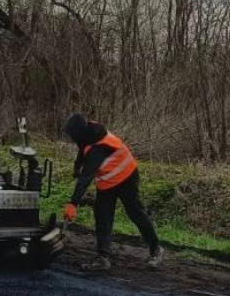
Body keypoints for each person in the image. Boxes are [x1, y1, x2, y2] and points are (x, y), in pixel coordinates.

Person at [62, 114, 163, 267]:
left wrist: (73, 204)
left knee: (135, 212)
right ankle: (103, 258)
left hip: (126, 176)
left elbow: (85, 178)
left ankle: (156, 250)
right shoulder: (91, 130)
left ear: (78, 133)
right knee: (102, 216)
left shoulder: (97, 149)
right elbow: (82, 149)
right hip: (107, 183)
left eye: (72, 135)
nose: (71, 139)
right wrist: (77, 166)